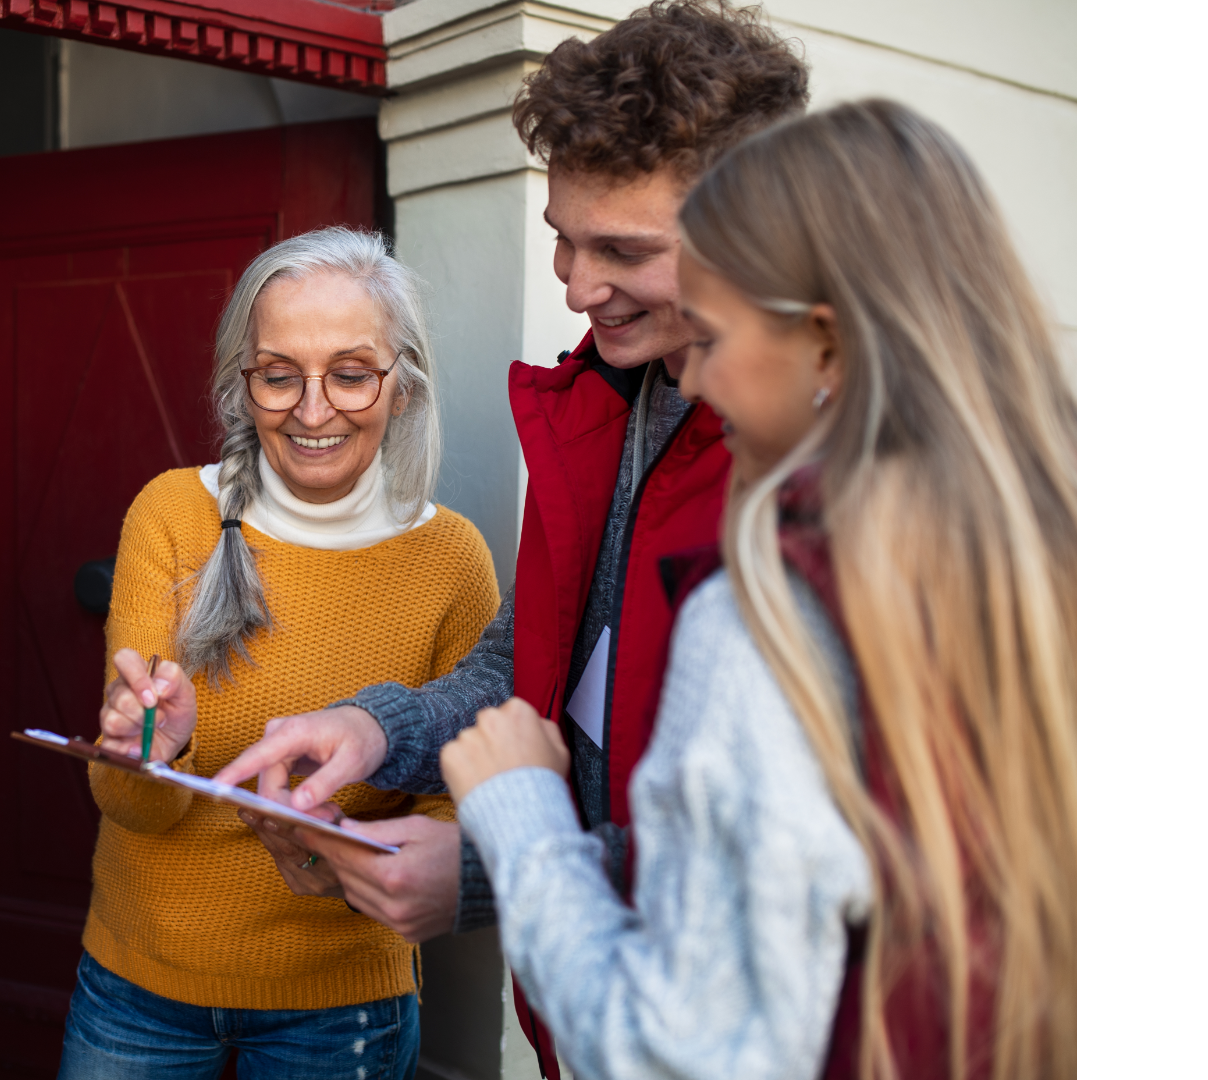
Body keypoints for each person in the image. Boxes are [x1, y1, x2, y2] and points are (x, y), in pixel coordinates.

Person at [216, 4, 807, 1071]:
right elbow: (542, 657)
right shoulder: (609, 398)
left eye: (622, 249)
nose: (577, 289)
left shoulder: (810, 459)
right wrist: (375, 728)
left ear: (757, 228)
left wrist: (494, 867)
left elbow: (798, 846)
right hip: (586, 1003)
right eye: (563, 242)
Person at [440, 99, 1076, 1079]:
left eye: (716, 332)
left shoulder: (768, 614)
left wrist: (519, 817)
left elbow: (674, 1052)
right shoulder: (1045, 551)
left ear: (824, 345)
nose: (693, 373)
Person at [55, 227, 501, 1079]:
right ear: (243, 385)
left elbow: (457, 802)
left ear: (401, 386)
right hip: (139, 981)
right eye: (279, 374)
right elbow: (132, 802)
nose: (312, 408)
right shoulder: (171, 517)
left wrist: (352, 856)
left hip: (341, 1006)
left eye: (350, 372)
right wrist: (154, 747)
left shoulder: (453, 561)